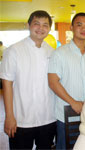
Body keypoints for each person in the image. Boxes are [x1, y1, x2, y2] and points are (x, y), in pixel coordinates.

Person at [0, 10, 56, 149]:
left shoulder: (52, 52)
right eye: (36, 24)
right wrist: (9, 116)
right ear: (28, 25)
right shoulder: (14, 50)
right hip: (20, 119)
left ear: (49, 28)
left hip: (48, 117)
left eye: (45, 25)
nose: (41, 28)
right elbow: (7, 84)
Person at [48, 12, 85, 149]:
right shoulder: (59, 53)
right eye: (79, 25)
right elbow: (53, 82)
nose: (83, 29)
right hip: (65, 114)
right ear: (71, 28)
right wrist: (73, 102)